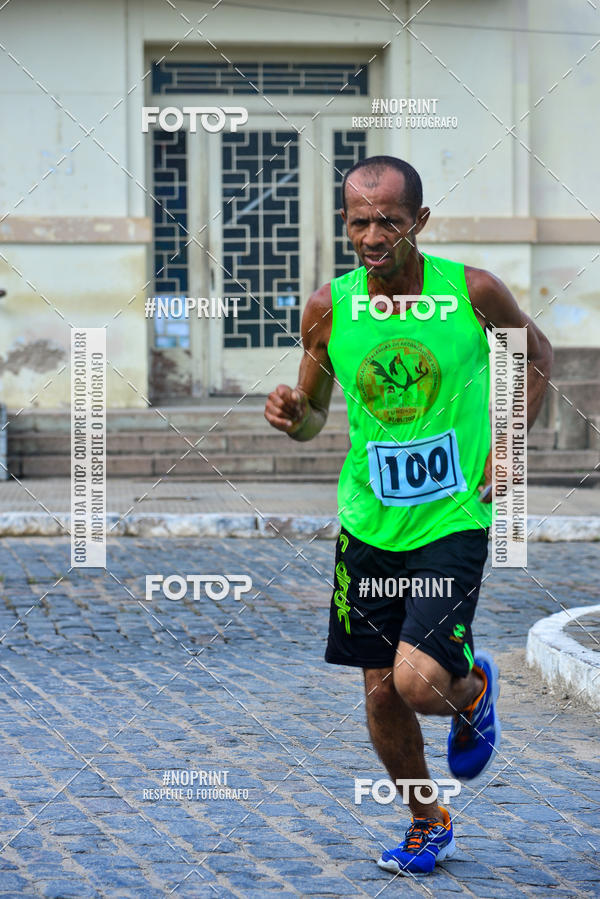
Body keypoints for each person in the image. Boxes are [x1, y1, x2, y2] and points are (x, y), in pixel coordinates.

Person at [264, 156, 552, 876]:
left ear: (418, 221)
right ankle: (428, 819)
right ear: (345, 223)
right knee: (379, 690)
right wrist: (293, 417)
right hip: (368, 525)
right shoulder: (329, 307)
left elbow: (537, 354)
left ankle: (471, 686)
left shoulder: (471, 291)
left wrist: (510, 444)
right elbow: (313, 419)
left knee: (419, 682)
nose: (372, 235)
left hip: (451, 516)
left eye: (388, 220)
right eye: (359, 221)